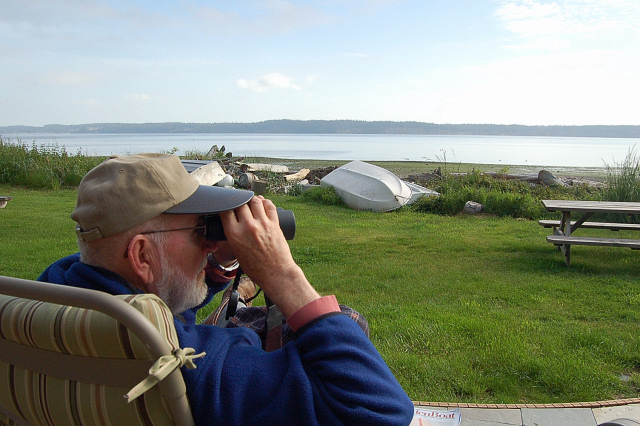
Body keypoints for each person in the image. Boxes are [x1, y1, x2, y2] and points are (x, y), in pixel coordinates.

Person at [39, 153, 414, 425]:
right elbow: (382, 411)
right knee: (346, 321)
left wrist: (215, 262)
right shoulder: (201, 365)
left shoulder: (54, 291)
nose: (208, 241)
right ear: (142, 254)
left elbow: (160, 295)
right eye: (201, 229)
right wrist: (281, 272)